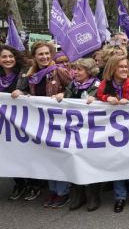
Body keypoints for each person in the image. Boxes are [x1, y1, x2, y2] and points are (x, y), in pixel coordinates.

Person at [12, 42, 71, 207]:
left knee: (59, 157)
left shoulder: (59, 71)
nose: (44, 57)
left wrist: (63, 93)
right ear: (34, 57)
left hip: (59, 122)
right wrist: (21, 92)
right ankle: (52, 190)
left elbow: (75, 89)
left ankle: (63, 192)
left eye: (47, 53)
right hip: (40, 123)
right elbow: (31, 93)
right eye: (40, 54)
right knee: (47, 157)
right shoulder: (30, 74)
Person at [52, 58, 102, 211]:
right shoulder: (73, 85)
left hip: (91, 130)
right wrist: (61, 96)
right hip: (73, 129)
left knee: (90, 161)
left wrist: (97, 99)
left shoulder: (97, 85)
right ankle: (78, 194)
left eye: (79, 70)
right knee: (74, 159)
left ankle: (93, 195)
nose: (75, 72)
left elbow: (102, 102)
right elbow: (67, 98)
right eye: (75, 69)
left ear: (89, 71)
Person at [95, 54, 129, 213]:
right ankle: (120, 196)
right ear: (112, 68)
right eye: (120, 66)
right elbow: (98, 97)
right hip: (113, 133)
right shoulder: (104, 84)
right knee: (117, 163)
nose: (124, 69)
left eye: (126, 66)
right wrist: (108, 98)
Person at [1, 45, 30, 201]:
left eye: (11, 56)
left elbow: (33, 93)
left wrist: (23, 93)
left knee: (26, 153)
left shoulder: (24, 73)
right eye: (4, 57)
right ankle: (19, 183)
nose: (8, 59)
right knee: (8, 154)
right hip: (3, 126)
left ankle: (33, 184)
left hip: (22, 122)